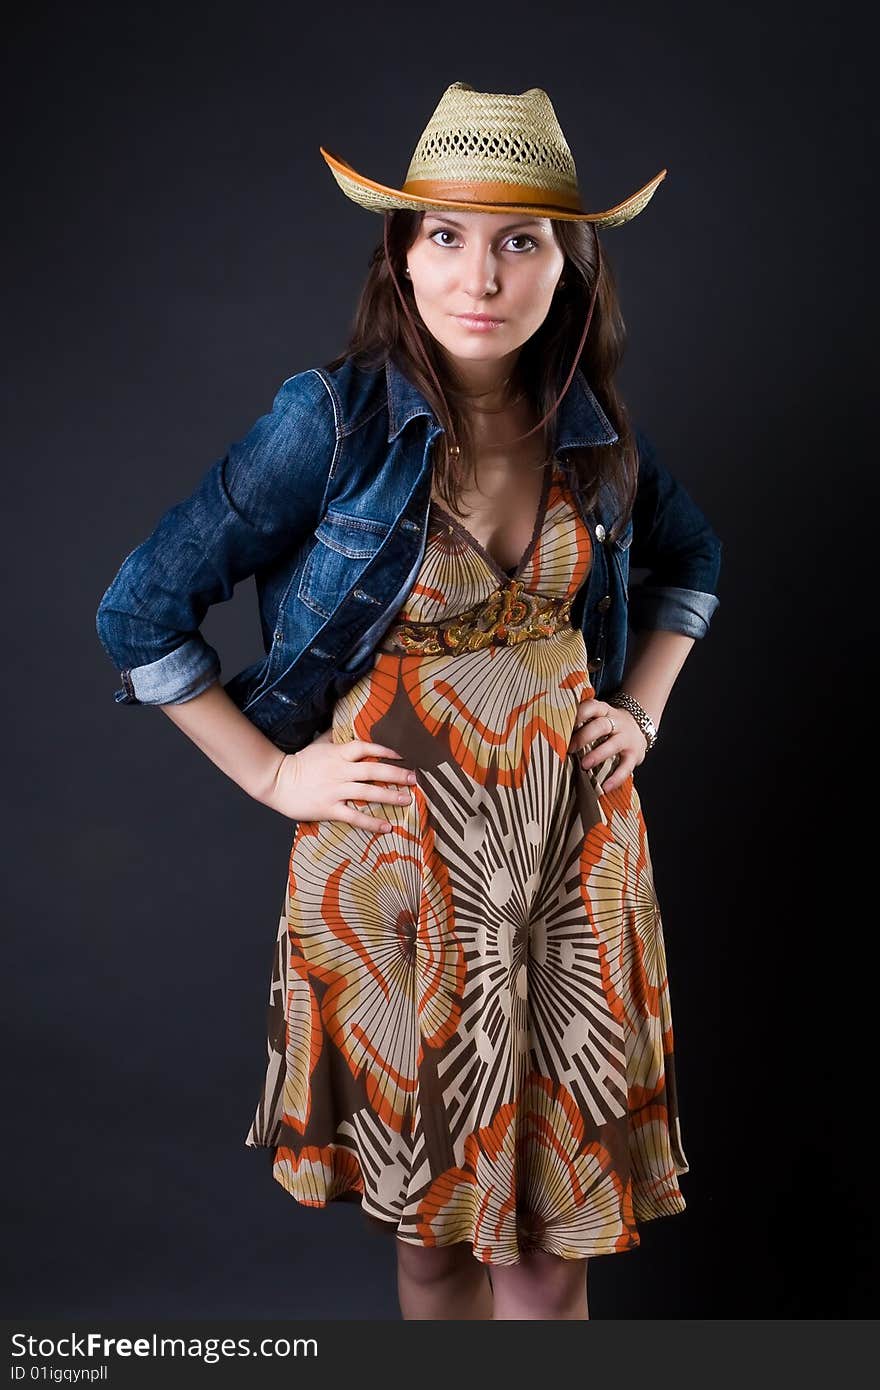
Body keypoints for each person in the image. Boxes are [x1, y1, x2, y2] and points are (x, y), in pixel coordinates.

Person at [95, 81, 722, 1320]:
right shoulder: (328, 422)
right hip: (391, 883)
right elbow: (138, 608)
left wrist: (639, 711)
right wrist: (274, 776)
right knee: (434, 1237)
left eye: (519, 241)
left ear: (567, 265)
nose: (478, 276)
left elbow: (691, 562)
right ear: (401, 253)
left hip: (567, 875)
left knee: (542, 1249)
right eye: (444, 235)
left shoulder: (596, 438)